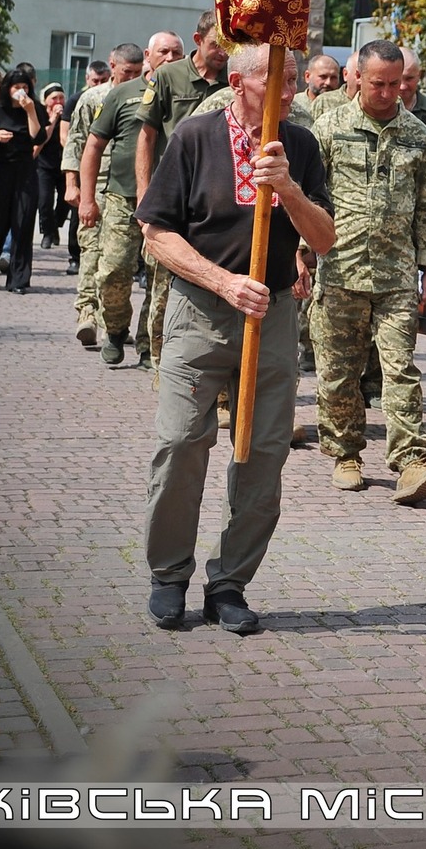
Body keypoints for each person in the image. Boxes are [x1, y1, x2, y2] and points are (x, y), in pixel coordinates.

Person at [138, 46, 332, 634]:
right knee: (181, 441)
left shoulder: (300, 145)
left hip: (272, 316)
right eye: (277, 80)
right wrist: (222, 281)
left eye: (294, 80)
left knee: (263, 451)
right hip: (201, 311)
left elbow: (324, 238)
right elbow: (156, 233)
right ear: (239, 81)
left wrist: (290, 189)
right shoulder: (195, 137)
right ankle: (169, 574)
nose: (289, 92)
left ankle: (229, 582)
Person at [310, 39, 426, 502]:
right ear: (356, 77)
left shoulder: (417, 134)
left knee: (401, 369)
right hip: (340, 269)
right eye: (378, 84)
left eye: (396, 84)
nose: (389, 93)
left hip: (396, 274)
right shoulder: (329, 128)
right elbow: (310, 199)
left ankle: (412, 461)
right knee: (339, 372)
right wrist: (301, 254)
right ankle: (345, 453)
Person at [135, 19, 220, 370]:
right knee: (162, 289)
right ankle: (159, 363)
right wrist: (145, 197)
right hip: (173, 197)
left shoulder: (235, 79)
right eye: (216, 44)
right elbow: (147, 137)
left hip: (214, 200)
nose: (224, 52)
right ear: (198, 40)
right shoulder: (169, 76)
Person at [77, 54, 153, 366]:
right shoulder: (121, 94)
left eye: (176, 53)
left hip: (168, 201)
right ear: (150, 56)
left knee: (160, 280)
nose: (171, 58)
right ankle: (116, 329)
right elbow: (89, 144)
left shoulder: (188, 91)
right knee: (113, 272)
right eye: (164, 52)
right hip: (122, 195)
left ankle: (149, 345)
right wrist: (85, 197)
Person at [66, 51, 135, 347]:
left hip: (125, 188)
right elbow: (76, 141)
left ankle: (113, 321)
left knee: (117, 260)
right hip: (94, 185)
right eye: (127, 72)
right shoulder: (94, 97)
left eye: (137, 72)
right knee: (91, 250)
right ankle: (87, 312)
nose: (132, 78)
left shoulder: (142, 98)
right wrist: (73, 185)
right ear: (113, 66)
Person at [0, 69, 43, 294]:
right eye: (16, 87)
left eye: (25, 87)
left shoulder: (34, 108)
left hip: (25, 173)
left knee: (23, 225)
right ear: (8, 88)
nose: (21, 91)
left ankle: (18, 280)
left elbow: (38, 137)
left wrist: (30, 110)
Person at [36, 82, 68, 248]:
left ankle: (55, 224)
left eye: (61, 98)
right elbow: (42, 138)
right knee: (44, 201)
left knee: (65, 201)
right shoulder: (40, 114)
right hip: (44, 165)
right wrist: (53, 119)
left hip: (63, 165)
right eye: (54, 98)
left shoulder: (68, 115)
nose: (58, 102)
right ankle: (47, 233)